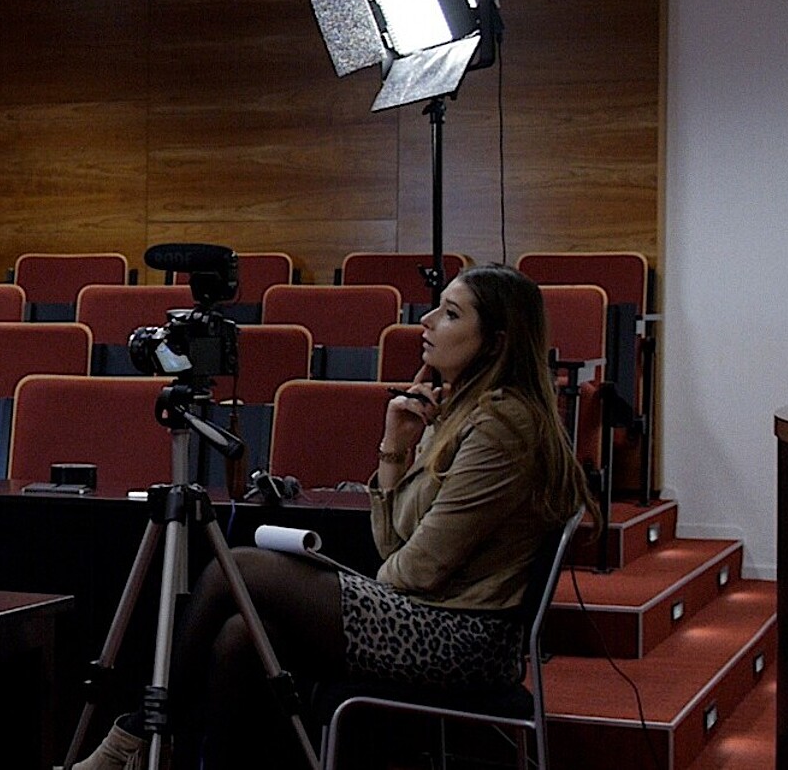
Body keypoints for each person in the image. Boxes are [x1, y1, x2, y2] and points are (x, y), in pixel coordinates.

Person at [76, 264, 598, 770]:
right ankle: (153, 743)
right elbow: (392, 544)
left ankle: (135, 735)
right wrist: (394, 446)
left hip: (463, 641)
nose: (428, 322)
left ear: (497, 341)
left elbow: (413, 570)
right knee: (241, 635)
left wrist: (355, 583)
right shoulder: (455, 410)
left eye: (451, 314)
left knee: (235, 569)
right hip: (427, 613)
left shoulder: (501, 426)